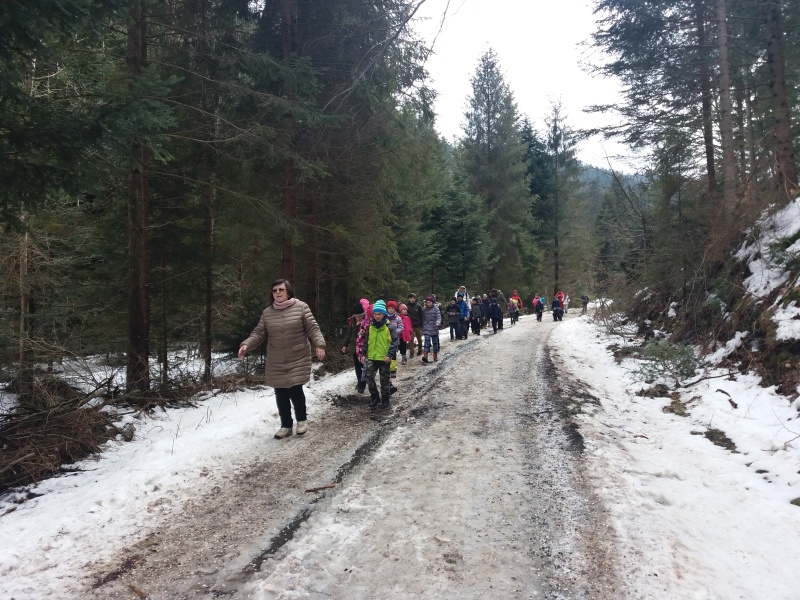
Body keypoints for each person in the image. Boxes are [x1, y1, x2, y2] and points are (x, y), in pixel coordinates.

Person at [238, 279, 326, 439]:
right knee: (280, 392)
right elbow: (258, 333)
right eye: (274, 290)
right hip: (276, 358)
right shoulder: (267, 313)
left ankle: (301, 420)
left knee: (295, 388)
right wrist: (246, 344)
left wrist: (319, 344)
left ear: (288, 292)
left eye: (281, 289)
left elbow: (313, 328)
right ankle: (286, 426)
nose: (277, 292)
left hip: (298, 355)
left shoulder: (301, 307)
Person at [359, 299, 398, 409]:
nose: (377, 316)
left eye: (379, 314)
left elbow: (395, 342)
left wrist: (390, 355)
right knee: (368, 377)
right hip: (372, 357)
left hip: (384, 358)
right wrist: (363, 354)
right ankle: (374, 397)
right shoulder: (370, 327)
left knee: (384, 380)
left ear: (384, 314)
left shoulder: (389, 327)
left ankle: (385, 399)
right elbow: (367, 341)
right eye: (375, 314)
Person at [340, 300, 367, 388]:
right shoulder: (352, 321)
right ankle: (359, 381)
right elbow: (349, 334)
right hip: (354, 347)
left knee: (363, 365)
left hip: (363, 347)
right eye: (356, 316)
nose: (358, 318)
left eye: (360, 316)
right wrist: (345, 344)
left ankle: (362, 382)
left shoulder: (366, 321)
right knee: (357, 366)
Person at [421, 294, 441, 363]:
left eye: (430, 302)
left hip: (434, 327)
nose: (428, 304)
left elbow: (439, 317)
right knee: (426, 342)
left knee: (435, 342)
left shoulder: (436, 309)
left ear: (432, 302)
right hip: (426, 327)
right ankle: (425, 356)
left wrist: (437, 322)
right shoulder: (424, 309)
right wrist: (423, 326)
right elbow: (423, 318)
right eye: (427, 302)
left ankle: (435, 356)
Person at [406, 293, 424, 358]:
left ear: (415, 299)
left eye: (413, 298)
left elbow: (422, 316)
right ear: (408, 299)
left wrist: (422, 324)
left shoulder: (418, 306)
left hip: (418, 325)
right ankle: (411, 352)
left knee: (419, 338)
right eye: (411, 298)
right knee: (411, 339)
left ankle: (420, 350)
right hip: (410, 326)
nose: (412, 299)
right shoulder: (406, 306)